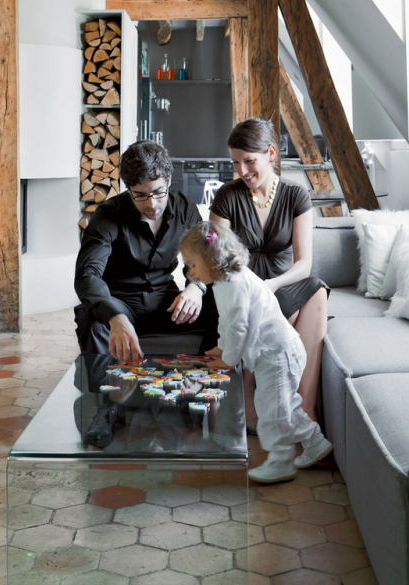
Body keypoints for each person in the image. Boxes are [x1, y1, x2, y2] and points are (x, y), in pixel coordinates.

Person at [180, 221, 333, 483]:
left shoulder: (236, 283)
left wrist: (228, 360)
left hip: (278, 354)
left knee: (273, 413)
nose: (190, 272)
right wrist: (222, 347)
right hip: (270, 355)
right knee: (285, 407)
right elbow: (226, 321)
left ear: (212, 259)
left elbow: (239, 327)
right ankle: (317, 444)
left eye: (193, 265)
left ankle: (280, 462)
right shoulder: (222, 283)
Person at [209, 118, 328, 422]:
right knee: (258, 309)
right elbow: (218, 260)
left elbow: (303, 264)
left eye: (249, 161)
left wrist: (272, 285)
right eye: (235, 162)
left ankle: (305, 407)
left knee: (316, 289)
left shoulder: (296, 194)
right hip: (242, 293)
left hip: (281, 289)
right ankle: (251, 396)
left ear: (271, 153)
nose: (242, 170)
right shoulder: (227, 196)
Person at [74, 140, 217, 363]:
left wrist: (196, 288)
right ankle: (102, 385)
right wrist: (115, 316)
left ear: (168, 180)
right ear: (128, 188)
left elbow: (204, 257)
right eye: (140, 195)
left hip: (166, 302)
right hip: (120, 301)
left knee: (221, 303)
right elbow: (87, 275)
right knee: (91, 319)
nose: (152, 204)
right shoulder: (108, 214)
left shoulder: (185, 208)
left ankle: (206, 377)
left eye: (159, 192)